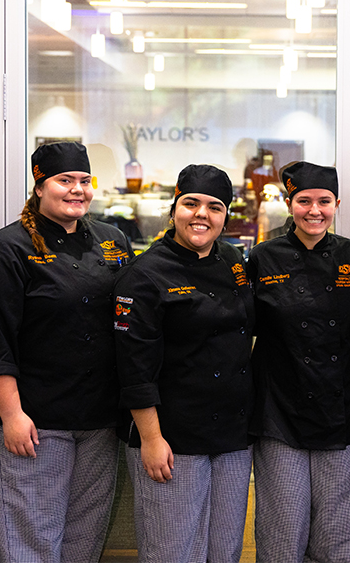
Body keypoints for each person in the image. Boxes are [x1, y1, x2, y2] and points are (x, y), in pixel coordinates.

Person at [0, 142, 132, 562]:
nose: (77, 190)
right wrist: (11, 415)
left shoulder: (113, 242)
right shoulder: (5, 249)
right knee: (31, 541)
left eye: (84, 181)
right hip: (35, 420)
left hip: (98, 418)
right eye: (64, 181)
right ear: (39, 186)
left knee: (85, 539)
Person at [114, 164, 255, 563]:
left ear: (226, 215)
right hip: (172, 435)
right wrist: (152, 439)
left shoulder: (232, 261)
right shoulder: (144, 274)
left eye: (214, 207)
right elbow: (134, 365)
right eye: (191, 203)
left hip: (231, 435)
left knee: (225, 550)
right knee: (172, 551)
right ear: (174, 208)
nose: (201, 215)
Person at [247, 162, 350, 563]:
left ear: (336, 204)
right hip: (281, 408)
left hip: (340, 411)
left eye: (324, 202)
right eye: (304, 201)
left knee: (336, 531)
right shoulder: (263, 258)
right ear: (288, 203)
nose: (314, 210)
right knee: (283, 528)